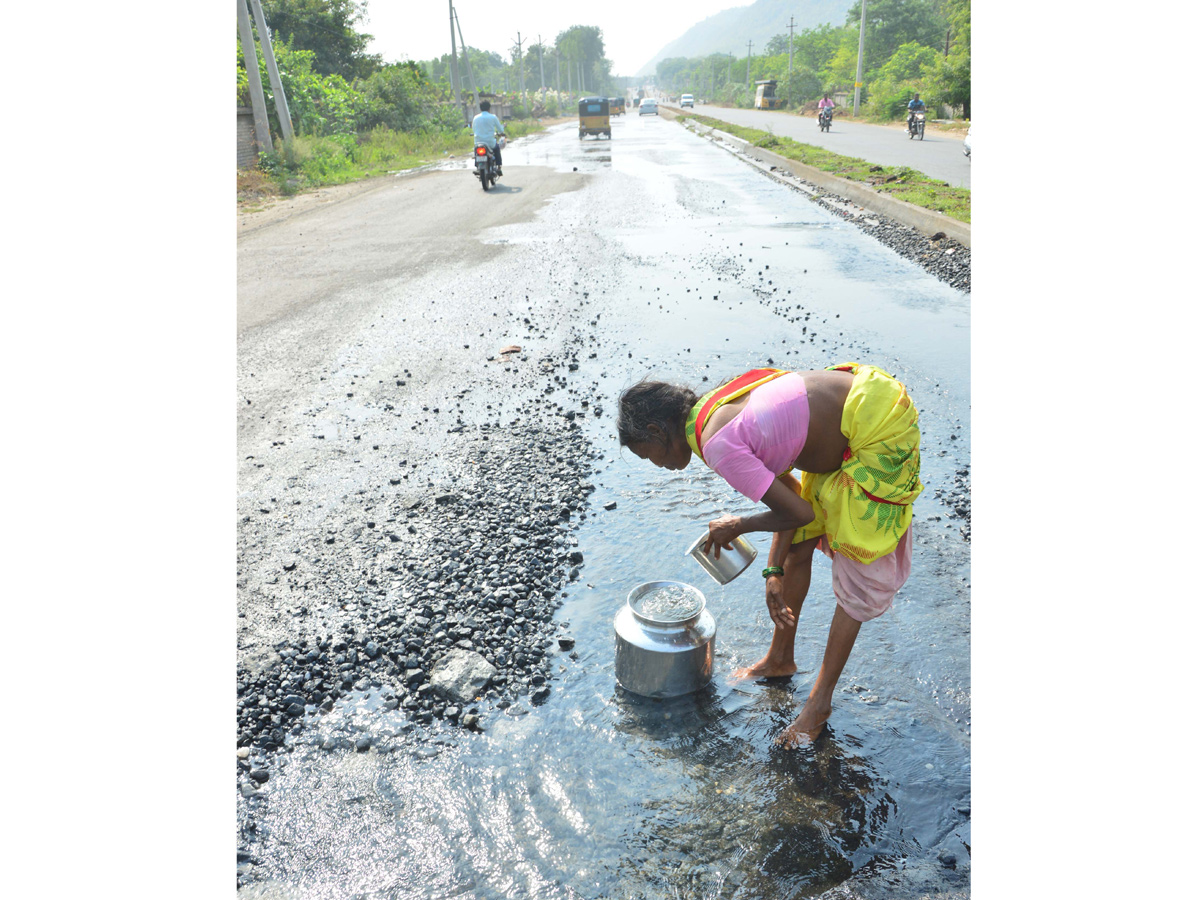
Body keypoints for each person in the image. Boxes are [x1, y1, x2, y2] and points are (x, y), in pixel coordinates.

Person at [617, 364, 922, 747]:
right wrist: (773, 570)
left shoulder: (718, 446)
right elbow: (792, 496)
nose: (656, 466)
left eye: (648, 457)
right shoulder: (717, 403)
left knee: (858, 577)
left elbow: (799, 512)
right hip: (857, 403)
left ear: (657, 432)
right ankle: (780, 659)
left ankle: (819, 705)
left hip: (877, 426)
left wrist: (738, 525)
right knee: (796, 546)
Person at [471, 100, 506, 176]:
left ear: (480, 108)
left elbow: (474, 129)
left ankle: (477, 166)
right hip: (490, 143)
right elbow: (500, 130)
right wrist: (501, 133)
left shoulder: (475, 118)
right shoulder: (493, 117)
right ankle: (499, 167)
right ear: (489, 108)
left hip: (478, 142)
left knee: (476, 151)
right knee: (496, 149)